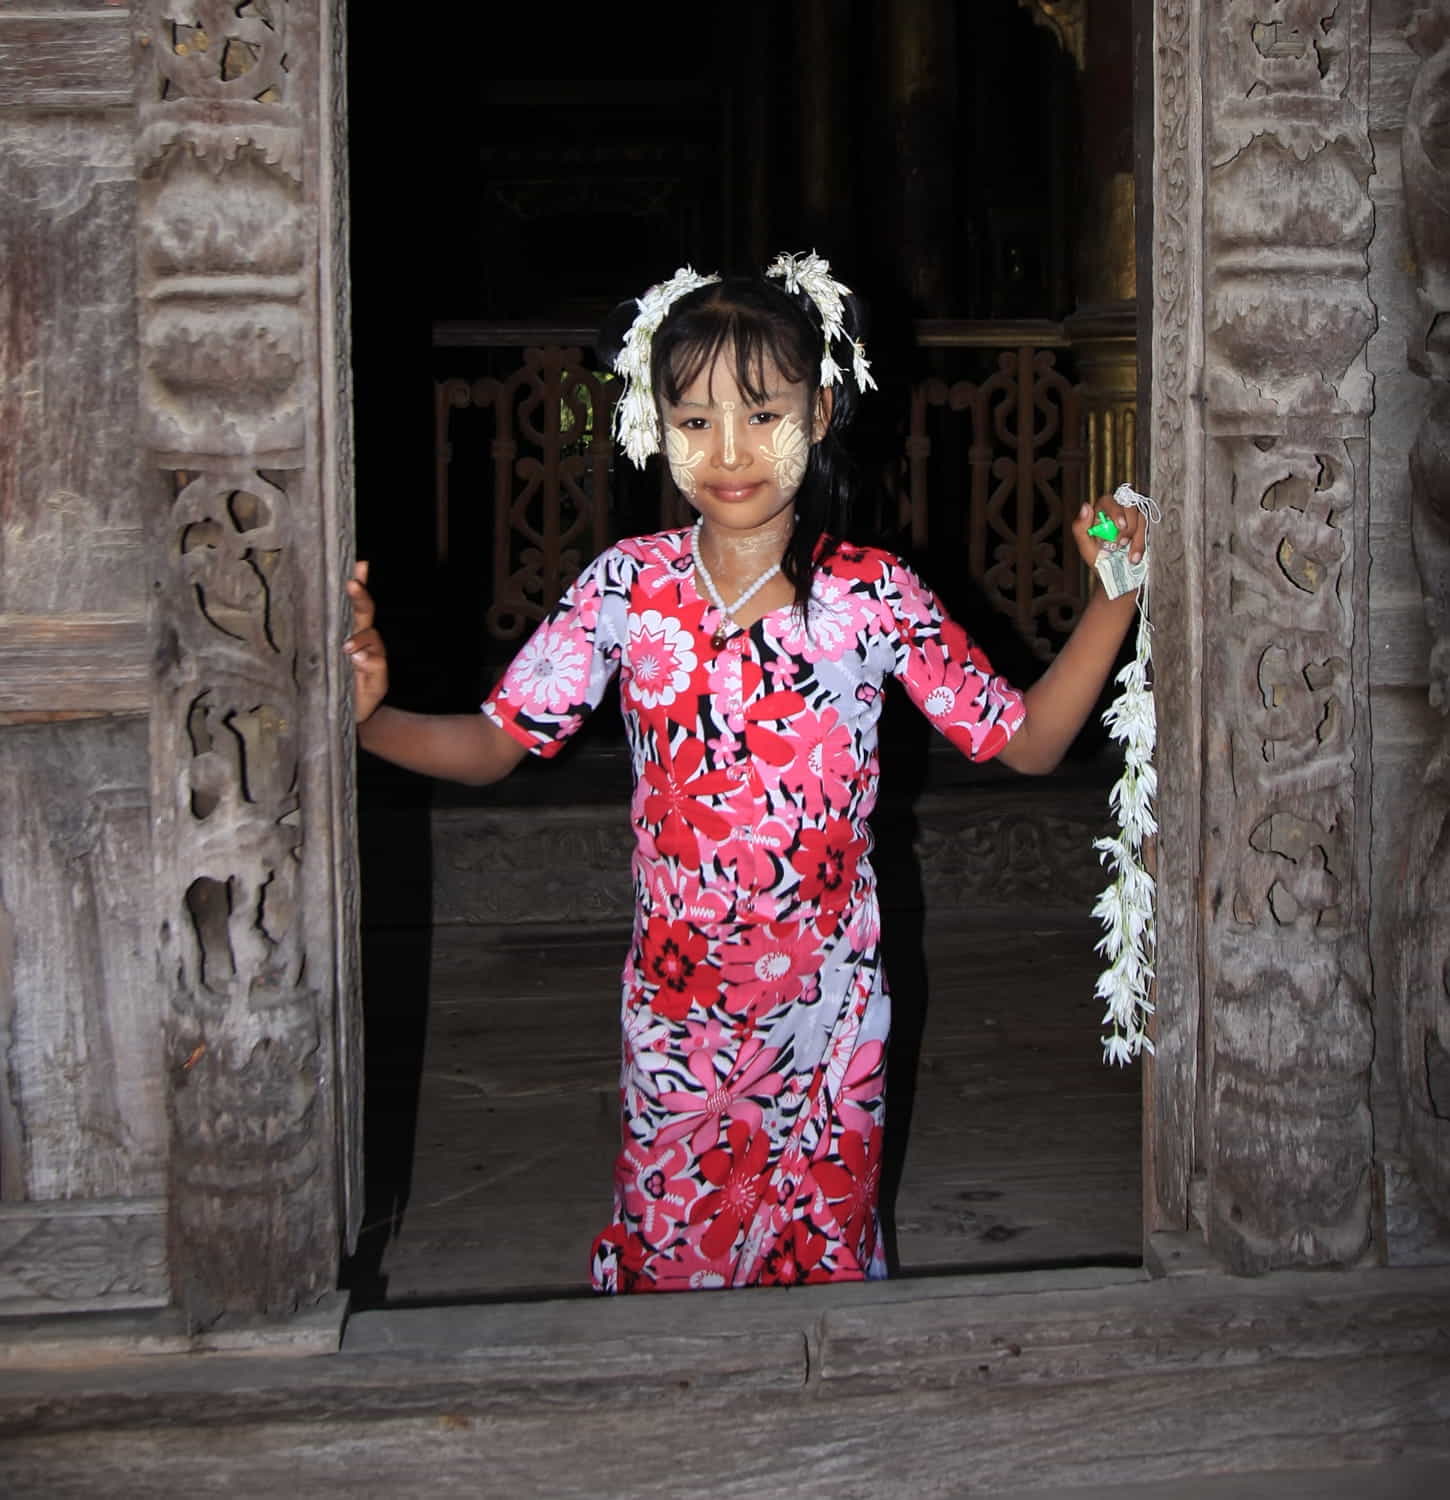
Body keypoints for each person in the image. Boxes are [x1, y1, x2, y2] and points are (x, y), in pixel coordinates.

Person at [345, 252, 1146, 1294]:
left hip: (832, 1005)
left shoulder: (874, 596)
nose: (728, 452)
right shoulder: (625, 591)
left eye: (761, 414)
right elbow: (496, 743)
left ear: (818, 413)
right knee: (674, 1244)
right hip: (681, 1011)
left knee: (822, 1248)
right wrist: (366, 722)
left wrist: (1111, 604)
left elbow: (1025, 742)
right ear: (657, 425)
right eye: (693, 421)